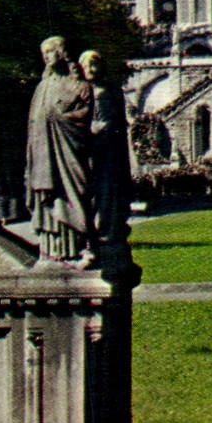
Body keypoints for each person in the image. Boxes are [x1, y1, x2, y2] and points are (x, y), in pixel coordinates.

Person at [26, 35, 94, 265]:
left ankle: (76, 248)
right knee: (50, 200)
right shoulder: (42, 87)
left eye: (50, 51)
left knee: (74, 196)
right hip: (45, 156)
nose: (46, 57)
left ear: (62, 53)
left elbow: (85, 118)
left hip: (69, 152)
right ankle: (51, 251)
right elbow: (33, 123)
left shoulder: (80, 86)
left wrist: (58, 117)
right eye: (43, 53)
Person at [80, 49, 136, 282]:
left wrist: (101, 129)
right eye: (88, 66)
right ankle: (91, 246)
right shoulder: (80, 92)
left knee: (107, 201)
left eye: (95, 65)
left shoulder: (109, 92)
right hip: (88, 156)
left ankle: (105, 241)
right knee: (87, 201)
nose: (92, 70)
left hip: (107, 156)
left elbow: (115, 122)